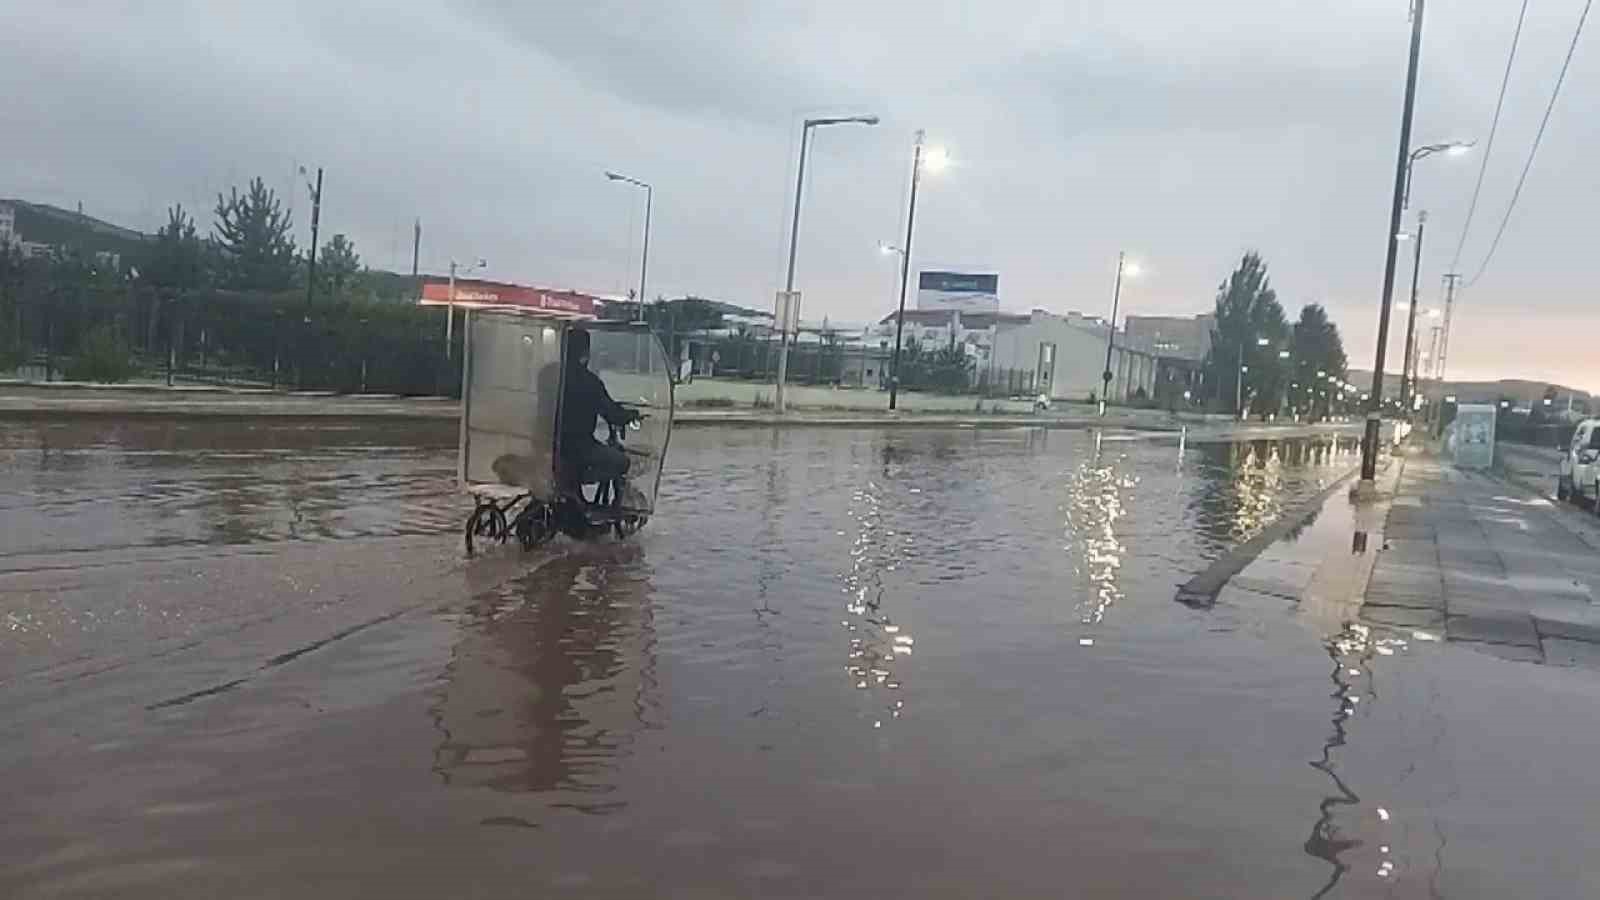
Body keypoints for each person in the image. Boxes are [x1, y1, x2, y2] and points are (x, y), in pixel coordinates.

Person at [559, 328, 638, 493]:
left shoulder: (548, 374)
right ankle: (574, 488)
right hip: (579, 448)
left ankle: (570, 489)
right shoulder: (590, 382)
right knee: (622, 462)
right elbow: (612, 414)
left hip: (549, 445)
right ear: (585, 353)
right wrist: (630, 415)